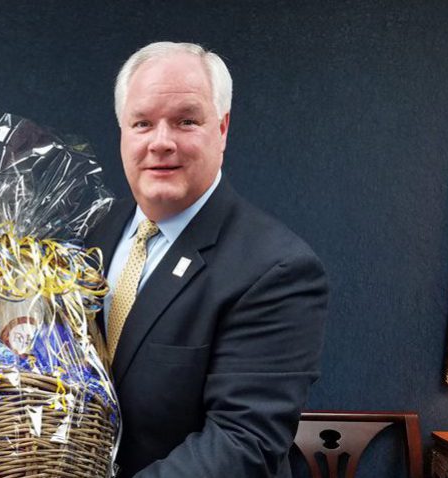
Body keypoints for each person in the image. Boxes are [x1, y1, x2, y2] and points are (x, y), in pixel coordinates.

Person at [86, 42, 329, 477]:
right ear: (123, 131)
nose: (161, 142)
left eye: (185, 122)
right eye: (142, 123)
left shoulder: (278, 269)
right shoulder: (99, 232)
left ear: (222, 128)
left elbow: (243, 442)